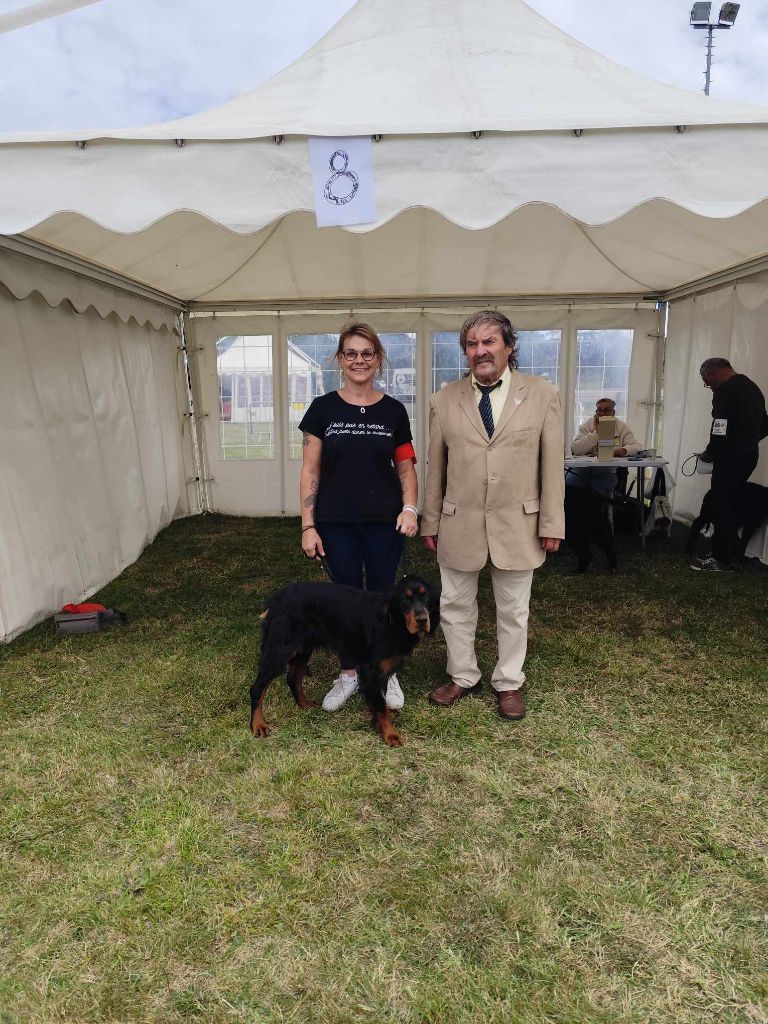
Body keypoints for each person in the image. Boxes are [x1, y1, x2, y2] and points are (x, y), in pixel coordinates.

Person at [421, 310, 564, 721]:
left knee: (514, 610)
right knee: (454, 605)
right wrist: (431, 520)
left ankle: (509, 681)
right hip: (458, 521)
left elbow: (552, 466)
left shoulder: (541, 394)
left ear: (509, 347)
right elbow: (435, 467)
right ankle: (463, 674)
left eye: (489, 342)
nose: (480, 351)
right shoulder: (443, 399)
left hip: (520, 524)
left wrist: (552, 523)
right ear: (465, 351)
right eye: (472, 344)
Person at [299, 322, 418, 709]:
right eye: (351, 353)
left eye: (367, 353)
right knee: (344, 601)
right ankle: (349, 672)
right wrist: (308, 525)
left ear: (378, 359)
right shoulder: (322, 409)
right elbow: (310, 470)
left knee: (385, 597)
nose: (359, 360)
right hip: (336, 523)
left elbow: (406, 468)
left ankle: (386, 673)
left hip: (385, 523)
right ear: (340, 359)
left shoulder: (393, 411)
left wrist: (410, 508)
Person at [690, 357, 768, 572]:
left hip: (729, 457)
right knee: (732, 503)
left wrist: (710, 452)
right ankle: (730, 551)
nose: (708, 386)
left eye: (706, 382)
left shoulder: (725, 391)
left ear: (711, 375)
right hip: (749, 455)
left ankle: (720, 559)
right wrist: (748, 442)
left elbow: (719, 427)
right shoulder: (752, 387)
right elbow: (765, 425)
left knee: (722, 505)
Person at [566, 397, 642, 498]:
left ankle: (600, 512)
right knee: (571, 485)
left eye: (607, 410)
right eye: (599, 411)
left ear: (613, 412)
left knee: (600, 491)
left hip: (606, 469)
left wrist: (623, 450)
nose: (603, 413)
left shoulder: (622, 427)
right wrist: (597, 433)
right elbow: (575, 449)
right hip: (582, 469)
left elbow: (637, 446)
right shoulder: (586, 426)